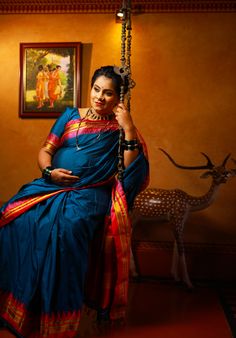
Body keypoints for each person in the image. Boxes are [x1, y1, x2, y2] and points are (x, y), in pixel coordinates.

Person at [0, 65, 149, 337]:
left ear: (118, 98)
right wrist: (49, 172)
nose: (99, 97)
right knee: (10, 216)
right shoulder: (69, 115)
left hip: (90, 193)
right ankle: (18, 306)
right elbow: (46, 150)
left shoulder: (120, 126)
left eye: (108, 93)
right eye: (96, 89)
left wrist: (128, 128)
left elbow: (129, 169)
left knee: (64, 231)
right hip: (49, 186)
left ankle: (58, 316)